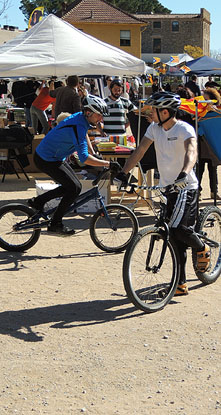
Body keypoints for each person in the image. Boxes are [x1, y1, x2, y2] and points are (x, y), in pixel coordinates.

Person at [116, 91, 210, 295]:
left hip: (186, 187)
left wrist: (184, 173)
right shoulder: (154, 128)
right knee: (173, 236)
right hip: (167, 189)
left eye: (153, 110)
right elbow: (140, 150)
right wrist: (124, 173)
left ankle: (202, 247)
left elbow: (191, 152)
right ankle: (181, 284)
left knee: (179, 230)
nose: (150, 113)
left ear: (165, 112)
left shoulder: (184, 128)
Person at [27, 95, 121, 236]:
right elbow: (83, 159)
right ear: (89, 113)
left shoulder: (82, 120)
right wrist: (107, 164)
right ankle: (55, 223)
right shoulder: (78, 125)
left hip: (54, 157)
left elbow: (84, 136)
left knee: (73, 186)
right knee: (74, 188)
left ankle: (38, 201)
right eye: (99, 115)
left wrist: (93, 153)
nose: (100, 119)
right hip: (45, 158)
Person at [198, 87, 221, 200]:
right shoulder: (200, 113)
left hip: (212, 146)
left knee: (213, 170)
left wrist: (214, 110)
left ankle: (214, 191)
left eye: (206, 100)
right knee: (199, 170)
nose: (204, 102)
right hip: (201, 146)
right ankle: (198, 192)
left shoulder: (217, 112)